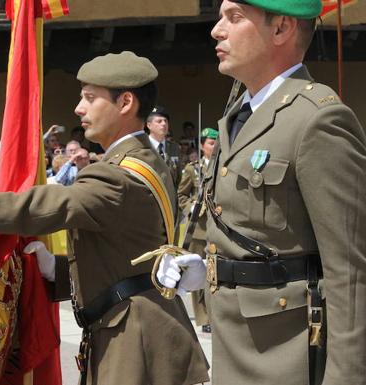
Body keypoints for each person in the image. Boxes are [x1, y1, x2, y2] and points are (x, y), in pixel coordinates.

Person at [0, 51, 209, 385]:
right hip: (144, 326)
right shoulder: (147, 161)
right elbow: (125, 256)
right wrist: (59, 269)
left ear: (125, 102)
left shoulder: (117, 176)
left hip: (134, 343)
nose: (79, 108)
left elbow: (37, 207)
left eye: (90, 98)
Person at [157, 1, 366, 384]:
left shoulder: (317, 120)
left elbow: (350, 273)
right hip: (235, 344)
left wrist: (346, 377)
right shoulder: (239, 116)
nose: (216, 30)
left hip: (286, 356)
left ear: (281, 29)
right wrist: (209, 269)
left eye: (234, 18)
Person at [176, 127, 217, 333]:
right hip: (199, 228)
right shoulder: (193, 169)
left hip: (218, 227)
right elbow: (181, 195)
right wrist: (191, 206)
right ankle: (203, 317)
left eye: (217, 142)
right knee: (197, 271)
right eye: (210, 143)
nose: (215, 146)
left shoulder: (223, 165)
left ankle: (215, 313)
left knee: (215, 272)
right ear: (202, 146)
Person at [146, 106, 180, 187]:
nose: (164, 124)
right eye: (159, 121)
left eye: (165, 121)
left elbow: (179, 177)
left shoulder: (174, 147)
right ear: (149, 125)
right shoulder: (143, 146)